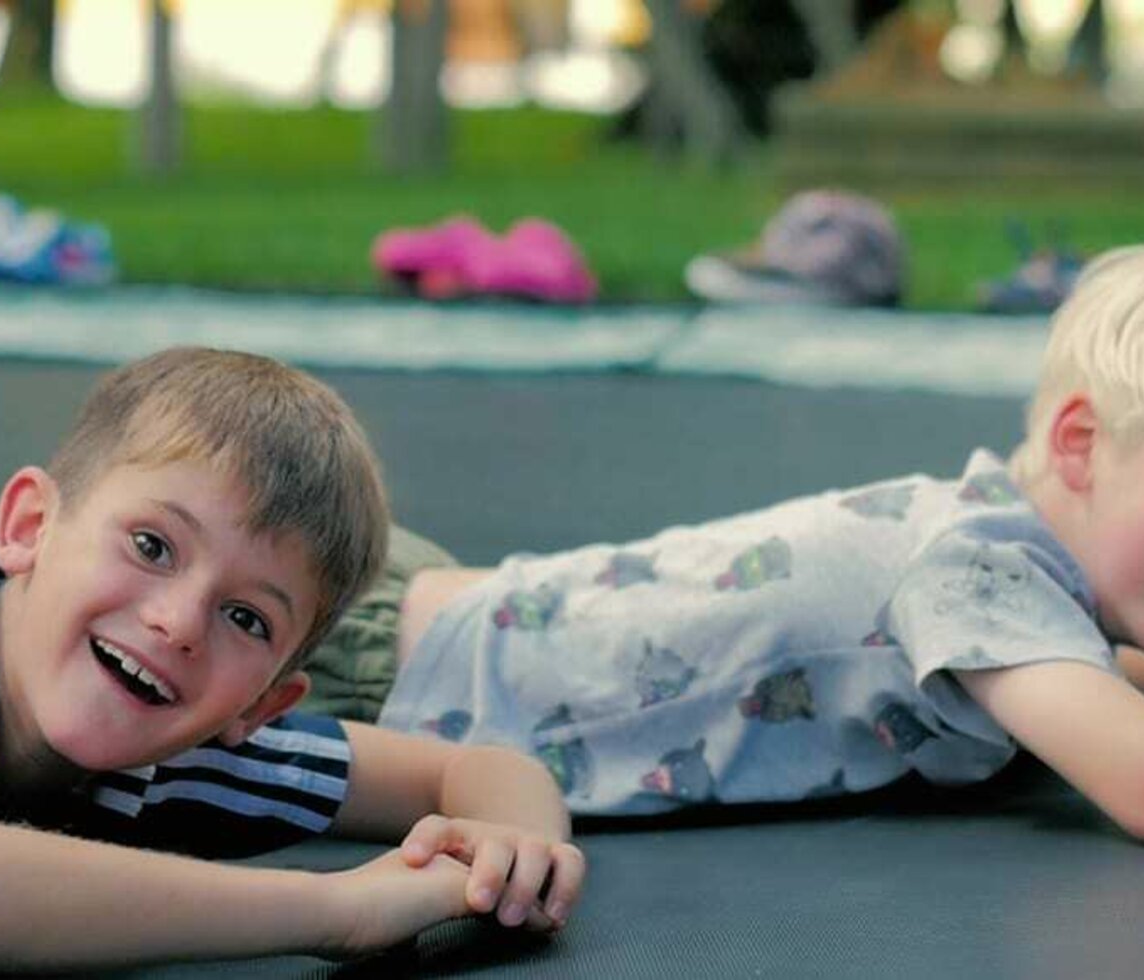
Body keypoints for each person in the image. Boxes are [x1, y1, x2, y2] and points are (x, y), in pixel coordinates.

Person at [307, 244, 1144, 838]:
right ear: (1079, 444)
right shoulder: (984, 576)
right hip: (372, 665)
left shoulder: (1013, 564)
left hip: (444, 620)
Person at [0, 347, 584, 973]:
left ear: (260, 705)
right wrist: (339, 906)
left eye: (245, 618)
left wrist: (513, 847)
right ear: (30, 526)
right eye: (151, 546)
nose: (180, 623)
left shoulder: (189, 740)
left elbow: (479, 768)